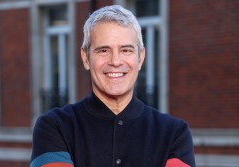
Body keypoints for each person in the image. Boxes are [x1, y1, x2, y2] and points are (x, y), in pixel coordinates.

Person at [31, 5, 196, 167]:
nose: (115, 61)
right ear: (86, 58)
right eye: (103, 50)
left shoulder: (174, 133)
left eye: (126, 50)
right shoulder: (54, 127)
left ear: (141, 57)